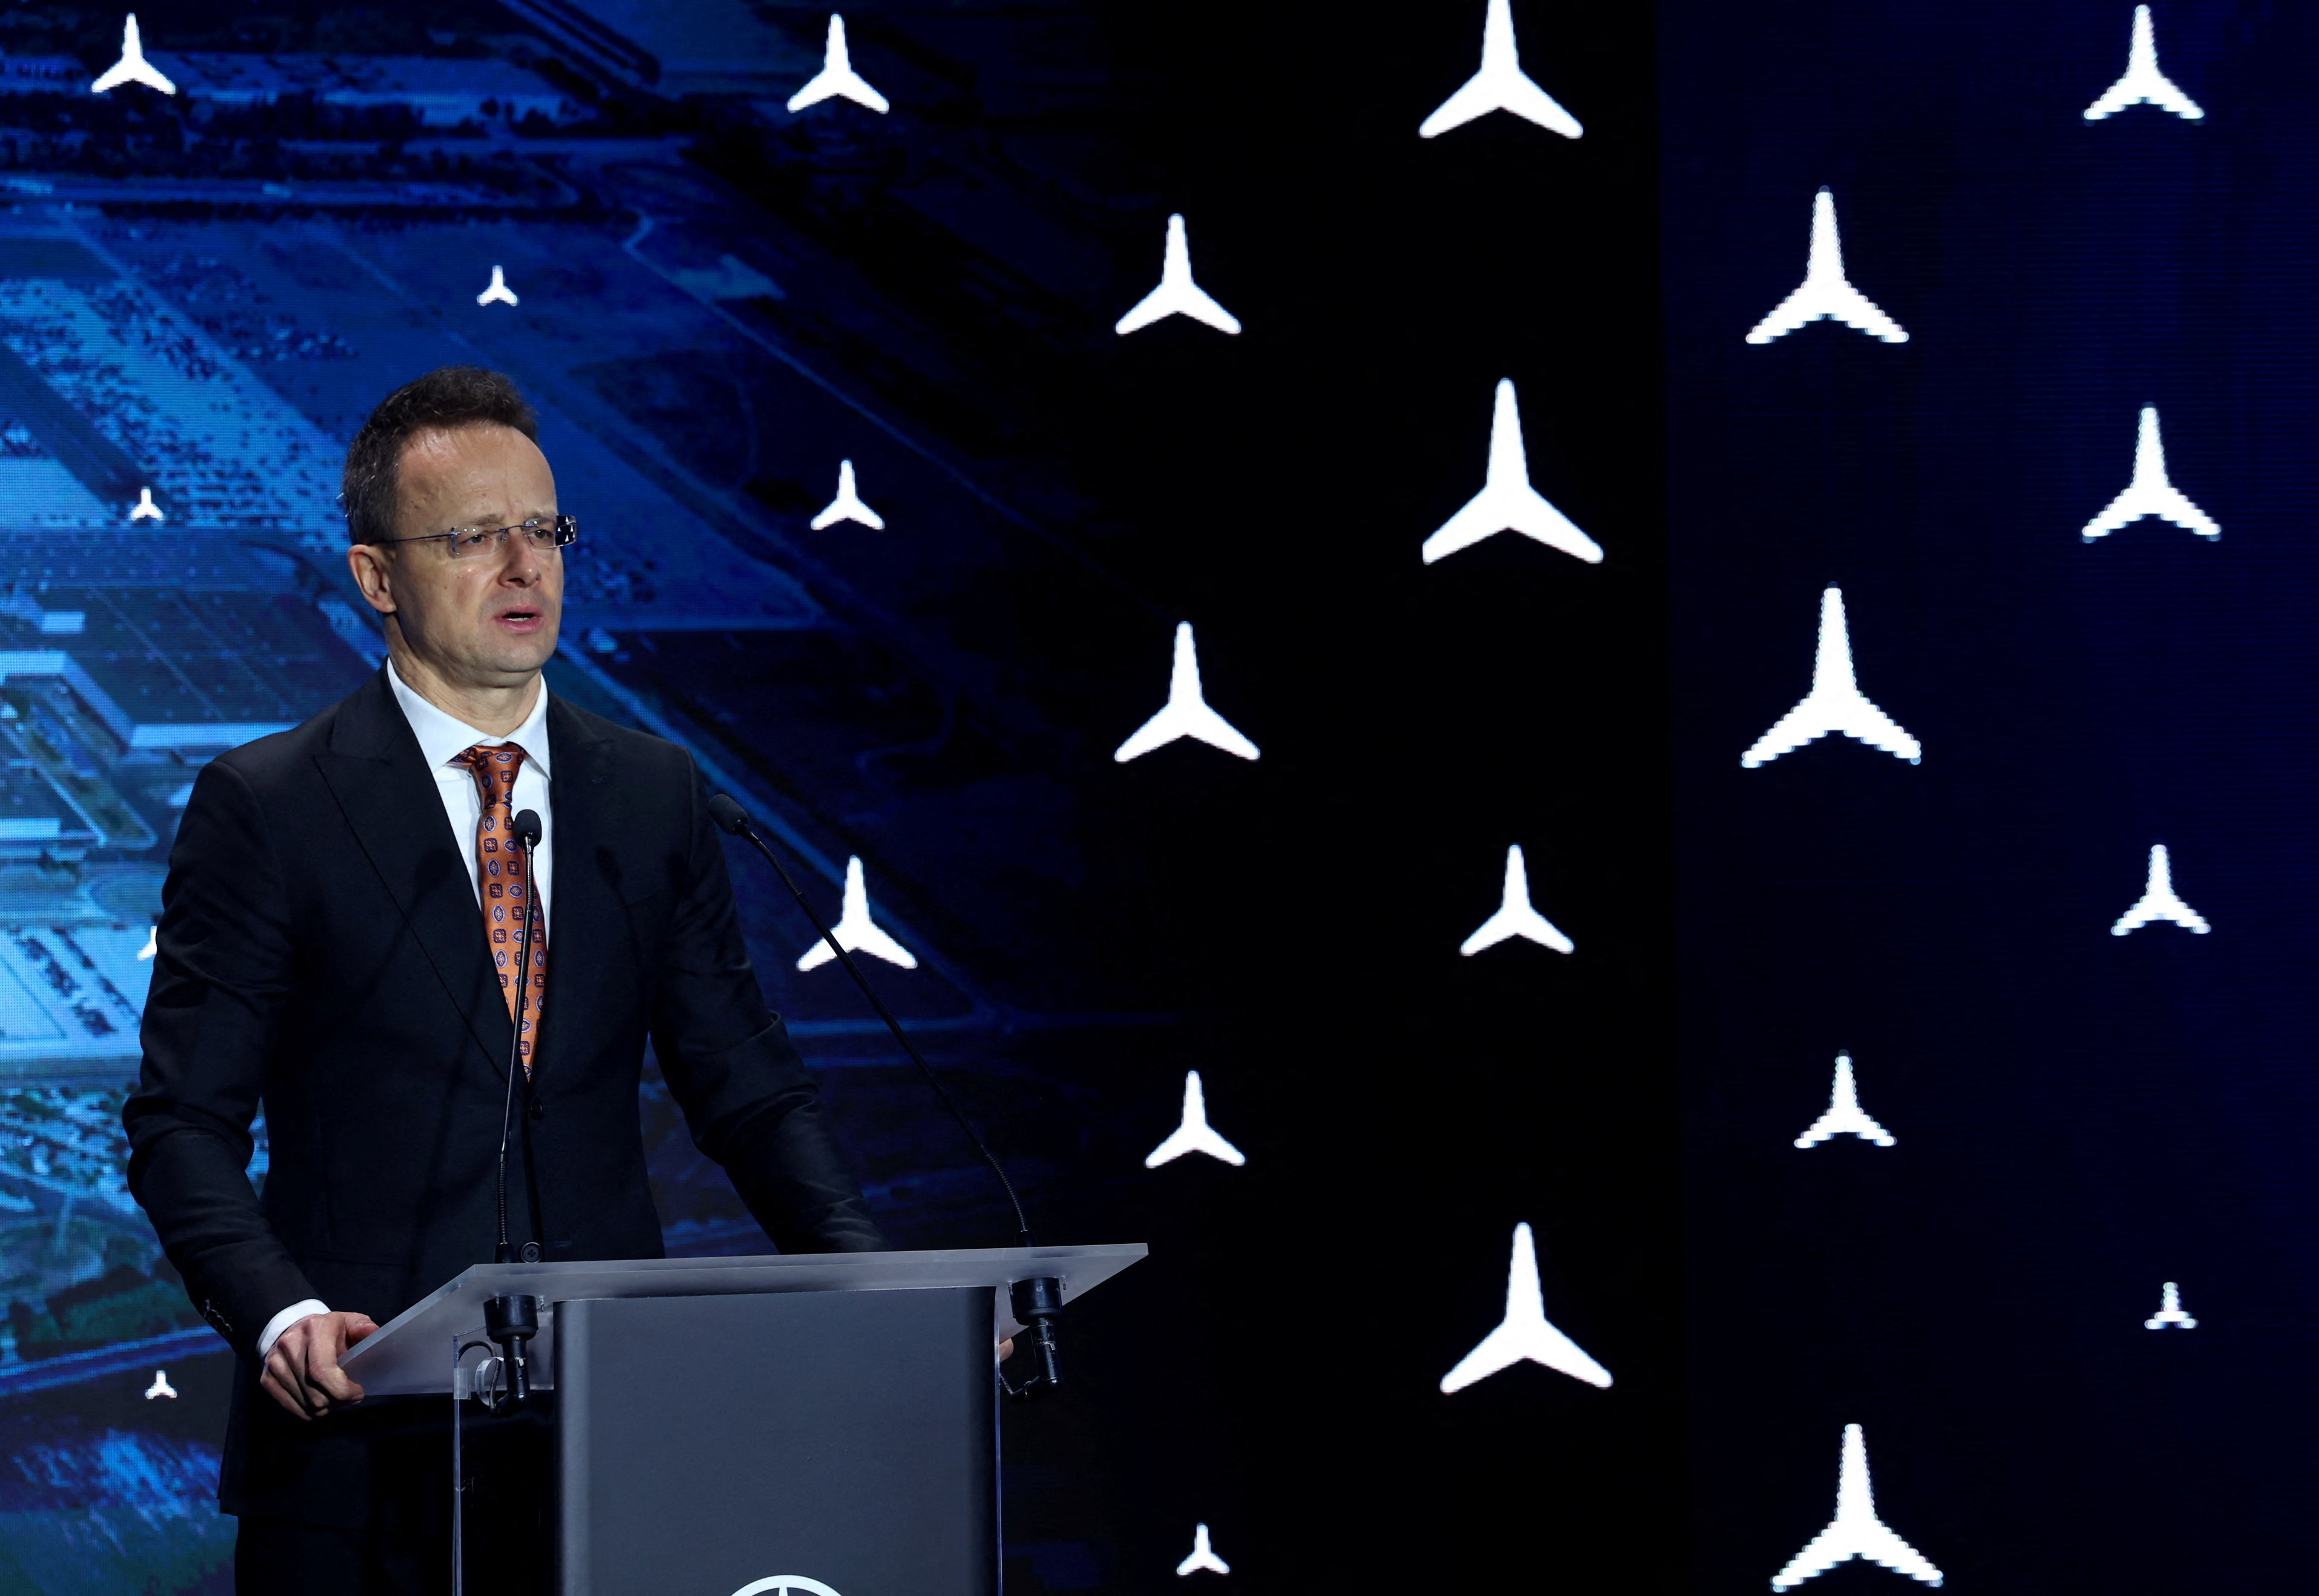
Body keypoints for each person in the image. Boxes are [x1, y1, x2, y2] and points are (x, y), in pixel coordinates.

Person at [123, 366, 883, 1594]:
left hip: (608, 1447)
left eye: (544, 529)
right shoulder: (268, 807)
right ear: (377, 578)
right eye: (474, 535)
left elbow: (748, 1088)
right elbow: (180, 1125)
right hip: (360, 1456)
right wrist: (278, 1313)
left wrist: (872, 1283)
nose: (525, 566)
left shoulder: (652, 795)